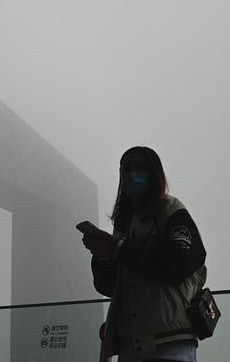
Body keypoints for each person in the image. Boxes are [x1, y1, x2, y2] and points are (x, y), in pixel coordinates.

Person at [82, 146, 207, 362]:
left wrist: (118, 249)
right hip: (132, 343)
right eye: (126, 169)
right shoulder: (125, 224)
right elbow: (110, 286)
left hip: (169, 343)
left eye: (140, 169)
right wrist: (103, 256)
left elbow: (179, 264)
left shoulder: (171, 210)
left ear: (155, 174)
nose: (131, 174)